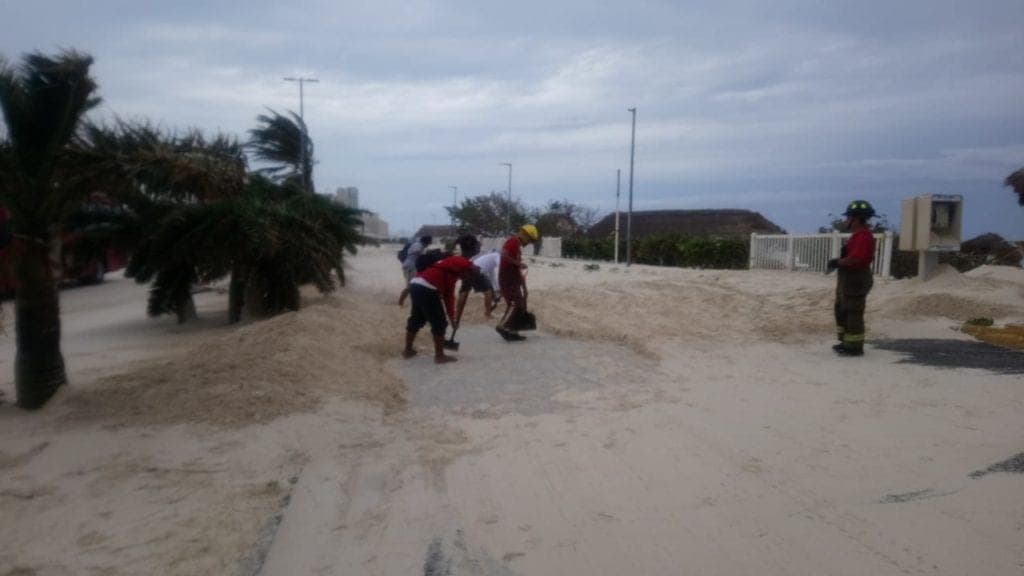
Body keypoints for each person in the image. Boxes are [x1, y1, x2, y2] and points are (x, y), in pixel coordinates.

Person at [403, 253, 476, 363]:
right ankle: (439, 356)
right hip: (428, 288)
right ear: (467, 270)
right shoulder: (461, 263)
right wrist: (451, 319)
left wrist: (452, 319)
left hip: (415, 284)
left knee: (417, 318)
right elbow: (449, 297)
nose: (463, 279)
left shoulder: (450, 271)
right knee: (439, 323)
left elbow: (449, 298)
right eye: (466, 277)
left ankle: (407, 350)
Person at [827, 200, 876, 356]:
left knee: (853, 311)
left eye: (848, 218)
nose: (846, 221)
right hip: (849, 278)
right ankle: (846, 341)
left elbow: (856, 259)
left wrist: (838, 262)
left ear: (856, 219)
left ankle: (854, 346)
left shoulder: (863, 236)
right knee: (841, 309)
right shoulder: (857, 236)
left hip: (856, 278)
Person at [496, 224, 538, 341]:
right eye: (529, 240)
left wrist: (524, 288)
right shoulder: (512, 242)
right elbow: (504, 256)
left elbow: (517, 269)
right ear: (524, 235)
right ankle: (503, 326)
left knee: (521, 304)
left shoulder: (517, 247)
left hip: (513, 279)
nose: (528, 243)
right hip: (507, 279)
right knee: (515, 304)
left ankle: (512, 330)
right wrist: (519, 264)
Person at [398, 235, 431, 306]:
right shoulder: (418, 245)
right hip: (410, 267)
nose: (429, 245)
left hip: (410, 266)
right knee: (410, 286)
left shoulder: (418, 244)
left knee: (414, 284)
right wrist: (424, 254)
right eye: (429, 243)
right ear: (426, 242)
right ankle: (401, 301)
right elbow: (416, 251)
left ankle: (412, 300)